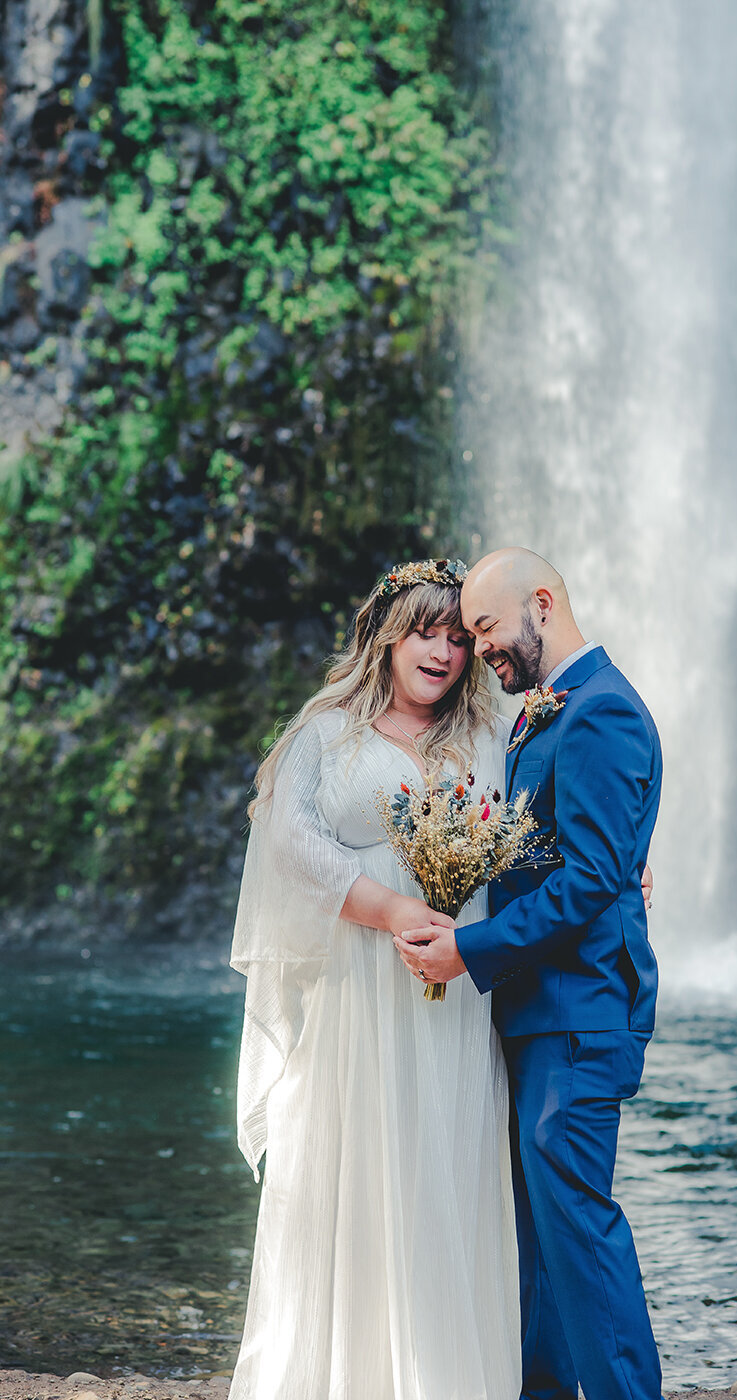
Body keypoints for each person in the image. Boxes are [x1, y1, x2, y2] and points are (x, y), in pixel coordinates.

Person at [228, 558, 522, 1400]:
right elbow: (290, 844)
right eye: (425, 630)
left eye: (460, 637)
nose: (443, 650)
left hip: (455, 988)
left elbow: (548, 814)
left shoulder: (487, 736)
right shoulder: (326, 731)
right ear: (386, 635)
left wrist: (631, 857)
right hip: (358, 987)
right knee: (356, 1164)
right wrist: (389, 910)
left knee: (447, 1156)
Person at [396, 547, 663, 1400]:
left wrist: (468, 953)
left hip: (581, 1015)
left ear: (540, 603)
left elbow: (590, 880)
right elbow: (580, 856)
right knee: (538, 1235)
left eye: (485, 628)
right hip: (539, 1010)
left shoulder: (602, 712)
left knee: (576, 1228)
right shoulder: (543, 714)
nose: (477, 650)